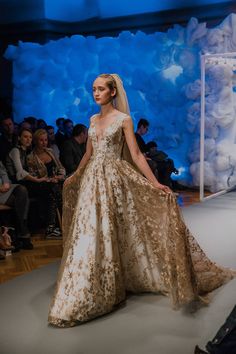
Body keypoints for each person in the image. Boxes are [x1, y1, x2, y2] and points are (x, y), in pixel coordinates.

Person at [48, 73, 234, 328]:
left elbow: (135, 154)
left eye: (101, 89)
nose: (96, 93)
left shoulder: (123, 119)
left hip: (114, 179)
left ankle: (115, 282)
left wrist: (155, 183)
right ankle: (87, 288)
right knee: (90, 232)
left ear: (113, 92)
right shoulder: (92, 119)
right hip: (93, 181)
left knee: (116, 229)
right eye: (93, 89)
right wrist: (77, 175)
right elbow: (89, 154)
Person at [0, 160, 32, 250]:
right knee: (21, 201)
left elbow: (2, 171)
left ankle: (20, 229)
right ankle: (22, 231)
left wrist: (6, 182)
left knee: (22, 190)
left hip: (3, 188)